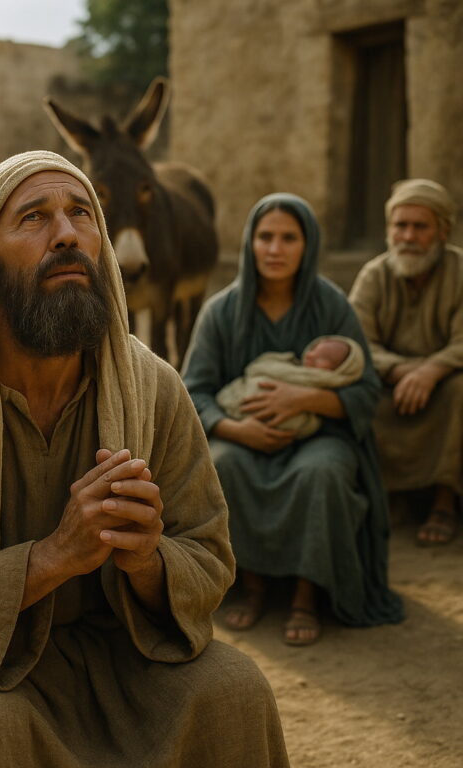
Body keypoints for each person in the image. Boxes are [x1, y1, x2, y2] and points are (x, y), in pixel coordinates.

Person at [0, 152, 290, 767]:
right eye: (34, 218)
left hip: (116, 649)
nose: (67, 233)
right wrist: (52, 559)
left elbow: (207, 556)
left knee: (235, 691)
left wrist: (148, 559)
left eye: (81, 214)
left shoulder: (152, 388)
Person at [182, 193, 404, 646]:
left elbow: (366, 389)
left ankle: (307, 594)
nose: (275, 249)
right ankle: (252, 586)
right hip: (241, 435)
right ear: (250, 243)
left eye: (288, 238)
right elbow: (192, 392)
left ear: (308, 245)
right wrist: (234, 427)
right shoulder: (222, 311)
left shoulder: (332, 305)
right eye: (265, 237)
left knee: (320, 473)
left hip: (318, 437)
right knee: (225, 466)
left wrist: (307, 399)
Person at [350, 180, 463, 546]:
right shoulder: (373, 275)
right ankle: (392, 496)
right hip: (391, 382)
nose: (408, 236)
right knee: (358, 396)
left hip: (445, 380)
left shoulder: (460, 272)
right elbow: (359, 341)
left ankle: (444, 502)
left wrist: (431, 371)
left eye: (420, 226)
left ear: (442, 232)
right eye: (400, 226)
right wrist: (400, 370)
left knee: (458, 391)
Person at [216, 335, 364, 439]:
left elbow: (364, 395)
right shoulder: (291, 364)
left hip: (301, 436)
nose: (311, 356)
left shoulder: (323, 381)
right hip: (236, 422)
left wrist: (307, 398)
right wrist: (234, 430)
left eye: (322, 358)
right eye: (313, 350)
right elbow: (198, 389)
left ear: (340, 371)